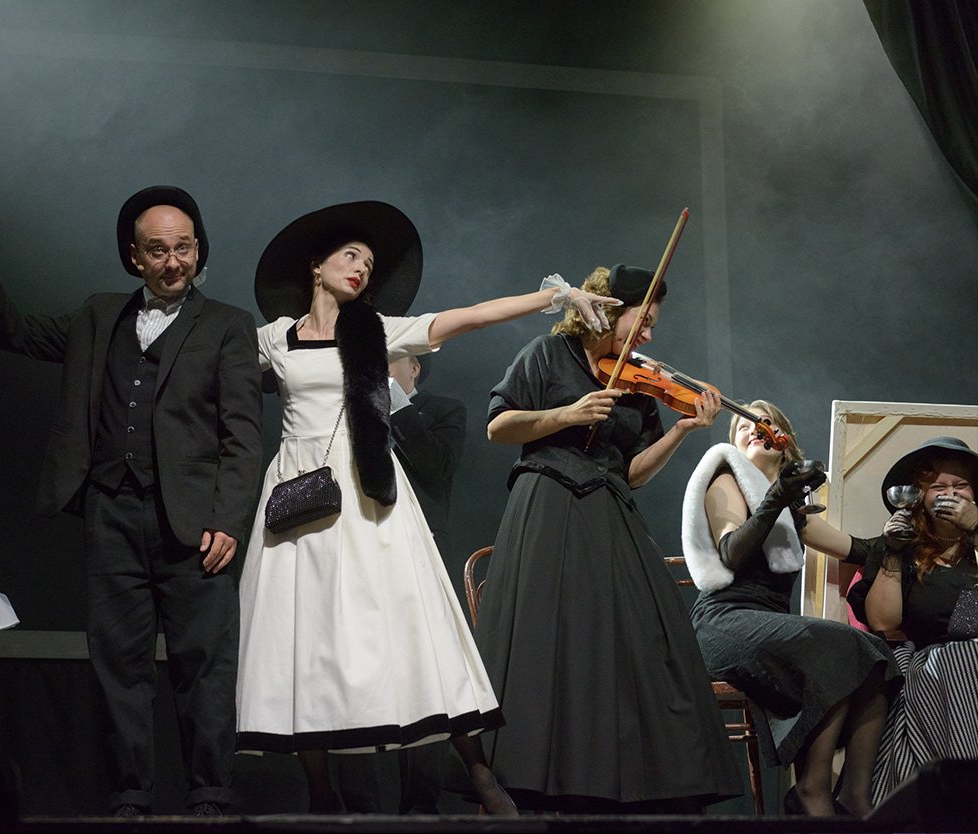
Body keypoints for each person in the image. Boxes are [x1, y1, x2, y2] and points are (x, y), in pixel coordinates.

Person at [234, 200, 620, 816]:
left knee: (411, 619)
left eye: (369, 263)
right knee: (301, 628)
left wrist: (556, 297)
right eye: (350, 255)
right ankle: (321, 793)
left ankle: (479, 773)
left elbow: (470, 316)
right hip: (296, 490)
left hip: (365, 489)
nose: (361, 268)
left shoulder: (376, 331)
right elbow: (206, 362)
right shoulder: (274, 338)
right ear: (316, 265)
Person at [0, 188, 263, 817]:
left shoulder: (228, 325)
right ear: (135, 256)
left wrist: (228, 519)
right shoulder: (98, 315)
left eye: (183, 248)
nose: (173, 261)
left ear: (198, 250)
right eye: (158, 250)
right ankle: (130, 797)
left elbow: (244, 434)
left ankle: (209, 795)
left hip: (195, 524)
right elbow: (13, 330)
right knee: (118, 664)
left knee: (204, 665)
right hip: (112, 511)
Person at [475, 263, 741, 813]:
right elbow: (498, 426)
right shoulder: (547, 355)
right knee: (551, 643)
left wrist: (681, 430)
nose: (648, 337)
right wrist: (565, 414)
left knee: (641, 643)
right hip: (549, 503)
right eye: (643, 322)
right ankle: (538, 779)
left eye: (652, 326)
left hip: (610, 509)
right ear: (608, 309)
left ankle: (633, 785)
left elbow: (633, 472)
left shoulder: (636, 382)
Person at [682, 401, 899, 817]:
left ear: (784, 443)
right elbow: (730, 553)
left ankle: (855, 795)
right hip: (722, 622)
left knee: (876, 655)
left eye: (766, 422)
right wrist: (777, 496)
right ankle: (812, 789)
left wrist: (902, 533)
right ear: (735, 443)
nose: (755, 427)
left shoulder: (792, 511)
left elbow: (858, 549)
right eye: (744, 424)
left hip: (770, 628)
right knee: (831, 644)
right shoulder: (725, 479)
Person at [333, 353, 468, 814]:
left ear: (415, 369)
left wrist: (393, 401)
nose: (380, 366)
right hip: (357, 549)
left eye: (393, 359)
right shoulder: (346, 410)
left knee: (425, 676)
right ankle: (359, 810)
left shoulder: (443, 410)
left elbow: (436, 467)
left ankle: (421, 809)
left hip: (420, 553)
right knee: (353, 674)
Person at [847, 436, 978, 805]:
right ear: (920, 497)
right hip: (933, 661)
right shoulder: (905, 548)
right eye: (937, 487)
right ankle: (957, 788)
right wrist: (892, 551)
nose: (950, 494)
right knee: (951, 661)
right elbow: (883, 622)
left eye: (960, 485)